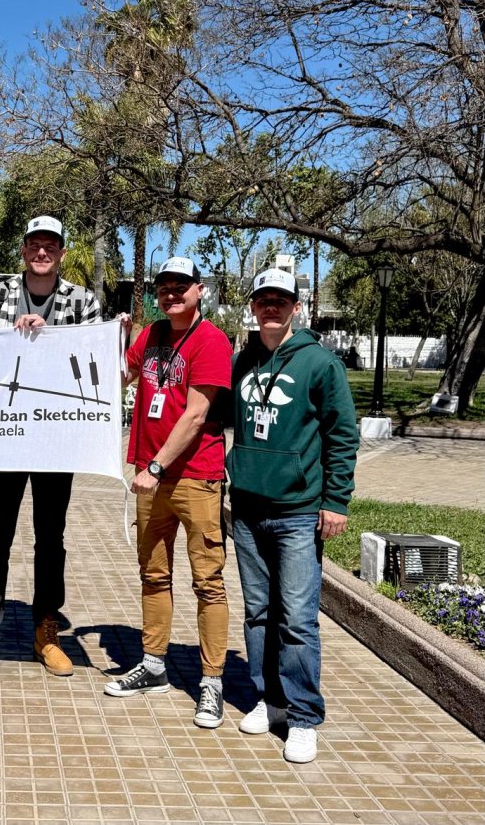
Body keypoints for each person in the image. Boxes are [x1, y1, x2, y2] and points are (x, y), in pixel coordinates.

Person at [0, 215, 102, 690]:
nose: (42, 252)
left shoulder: (83, 302)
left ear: (62, 252)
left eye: (51, 246)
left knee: (50, 538)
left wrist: (53, 337)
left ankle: (47, 631)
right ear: (23, 250)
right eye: (35, 245)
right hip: (4, 439)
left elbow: (91, 360)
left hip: (55, 441)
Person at [229, 267, 359, 763]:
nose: (271, 307)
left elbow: (342, 435)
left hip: (298, 512)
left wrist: (336, 501)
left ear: (296, 307)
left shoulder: (320, 364)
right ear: (254, 305)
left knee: (299, 619)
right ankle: (271, 700)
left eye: (281, 299)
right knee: (258, 612)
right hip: (246, 508)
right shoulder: (243, 362)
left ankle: (304, 716)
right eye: (264, 299)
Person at [104, 256, 233, 730]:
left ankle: (212, 682)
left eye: (181, 286)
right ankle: (154, 665)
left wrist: (156, 466)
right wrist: (113, 339)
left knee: (208, 582)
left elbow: (197, 415)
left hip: (194, 477)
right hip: (150, 477)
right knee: (153, 574)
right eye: (165, 286)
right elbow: (120, 375)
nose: (172, 293)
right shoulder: (153, 334)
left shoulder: (212, 341)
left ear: (199, 290)